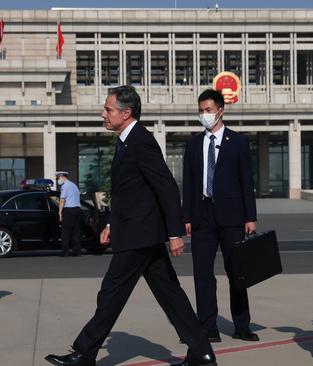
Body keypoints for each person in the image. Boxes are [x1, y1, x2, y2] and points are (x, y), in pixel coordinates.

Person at [45, 85, 216, 366]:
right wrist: (112, 222)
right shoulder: (126, 141)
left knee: (111, 293)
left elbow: (166, 187)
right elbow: (130, 192)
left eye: (108, 109)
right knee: (170, 295)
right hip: (139, 233)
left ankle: (84, 353)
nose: (103, 114)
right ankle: (202, 352)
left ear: (126, 113)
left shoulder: (140, 141)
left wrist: (175, 233)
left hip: (140, 235)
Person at [182, 89, 258, 343]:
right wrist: (187, 217)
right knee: (202, 273)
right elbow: (190, 184)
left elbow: (247, 181)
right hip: (202, 215)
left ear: (221, 111)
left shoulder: (238, 142)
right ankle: (208, 326)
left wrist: (250, 217)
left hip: (233, 216)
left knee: (237, 272)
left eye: (209, 110)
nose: (205, 115)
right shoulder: (193, 145)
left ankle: (241, 325)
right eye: (201, 110)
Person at [56, 171, 82, 257]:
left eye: (58, 178)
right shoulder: (73, 185)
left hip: (69, 210)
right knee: (76, 231)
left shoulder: (65, 186)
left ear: (62, 177)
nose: (58, 180)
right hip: (77, 210)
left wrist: (60, 212)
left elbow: (62, 200)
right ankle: (77, 251)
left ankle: (65, 252)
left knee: (65, 232)